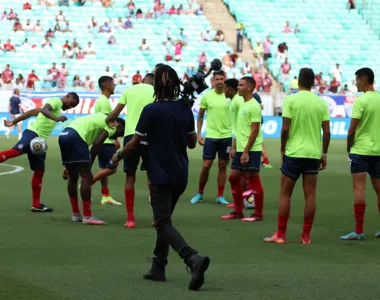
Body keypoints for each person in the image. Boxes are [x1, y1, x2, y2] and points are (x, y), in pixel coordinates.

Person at [112, 65, 210, 291]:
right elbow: (192, 143)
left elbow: (134, 143)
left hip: (160, 173)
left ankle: (192, 258)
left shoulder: (150, 110)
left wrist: (117, 155)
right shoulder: (185, 109)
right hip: (181, 174)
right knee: (165, 220)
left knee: (162, 222)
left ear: (155, 86)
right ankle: (158, 266)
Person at [264, 68, 330, 244]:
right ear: (313, 82)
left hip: (293, 153)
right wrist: (323, 154)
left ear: (298, 81)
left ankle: (281, 235)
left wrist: (282, 149)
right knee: (310, 196)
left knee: (285, 194)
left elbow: (285, 129)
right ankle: (306, 236)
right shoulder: (321, 103)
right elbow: (327, 131)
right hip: (313, 153)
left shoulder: (291, 100)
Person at [1, 93, 80, 212]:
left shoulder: (56, 109)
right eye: (71, 104)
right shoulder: (56, 101)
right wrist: (56, 119)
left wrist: (13, 122)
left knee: (39, 171)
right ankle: (36, 204)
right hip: (33, 134)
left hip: (40, 142)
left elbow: (30, 112)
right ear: (67, 96)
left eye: (72, 107)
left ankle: (36, 204)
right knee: (15, 151)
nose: (69, 107)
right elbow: (44, 109)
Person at [105, 73, 154, 228]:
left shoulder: (130, 90)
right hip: (150, 136)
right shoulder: (156, 91)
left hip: (131, 136)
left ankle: (130, 218)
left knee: (130, 176)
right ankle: (157, 218)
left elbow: (115, 113)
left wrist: (107, 120)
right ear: (153, 81)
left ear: (142, 80)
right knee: (153, 178)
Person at [59, 113, 125, 225]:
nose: (116, 137)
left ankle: (76, 214)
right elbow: (97, 144)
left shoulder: (100, 116)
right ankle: (87, 216)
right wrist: (89, 163)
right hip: (76, 137)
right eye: (119, 134)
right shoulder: (113, 125)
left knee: (73, 177)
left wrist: (69, 165)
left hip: (64, 134)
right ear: (118, 125)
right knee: (87, 176)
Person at [341, 68, 380, 240]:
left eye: (356, 80)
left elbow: (351, 131)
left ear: (364, 79)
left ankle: (358, 230)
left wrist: (349, 147)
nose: (355, 83)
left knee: (359, 189)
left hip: (360, 151)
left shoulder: (361, 101)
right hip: (378, 151)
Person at [221, 77, 265, 221]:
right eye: (238, 85)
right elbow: (240, 130)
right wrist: (235, 146)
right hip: (241, 147)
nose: (238, 87)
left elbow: (254, 131)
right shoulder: (243, 104)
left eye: (241, 85)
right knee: (233, 177)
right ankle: (238, 211)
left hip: (251, 149)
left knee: (253, 179)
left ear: (250, 88)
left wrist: (246, 151)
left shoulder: (253, 106)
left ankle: (258, 214)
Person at [190, 71, 231, 205]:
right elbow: (200, 115)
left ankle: (220, 196)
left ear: (225, 80)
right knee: (206, 165)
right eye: (217, 79)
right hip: (211, 137)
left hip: (227, 137)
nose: (219, 81)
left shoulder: (231, 96)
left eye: (222, 79)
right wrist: (199, 133)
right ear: (213, 81)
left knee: (222, 165)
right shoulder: (207, 96)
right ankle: (199, 192)